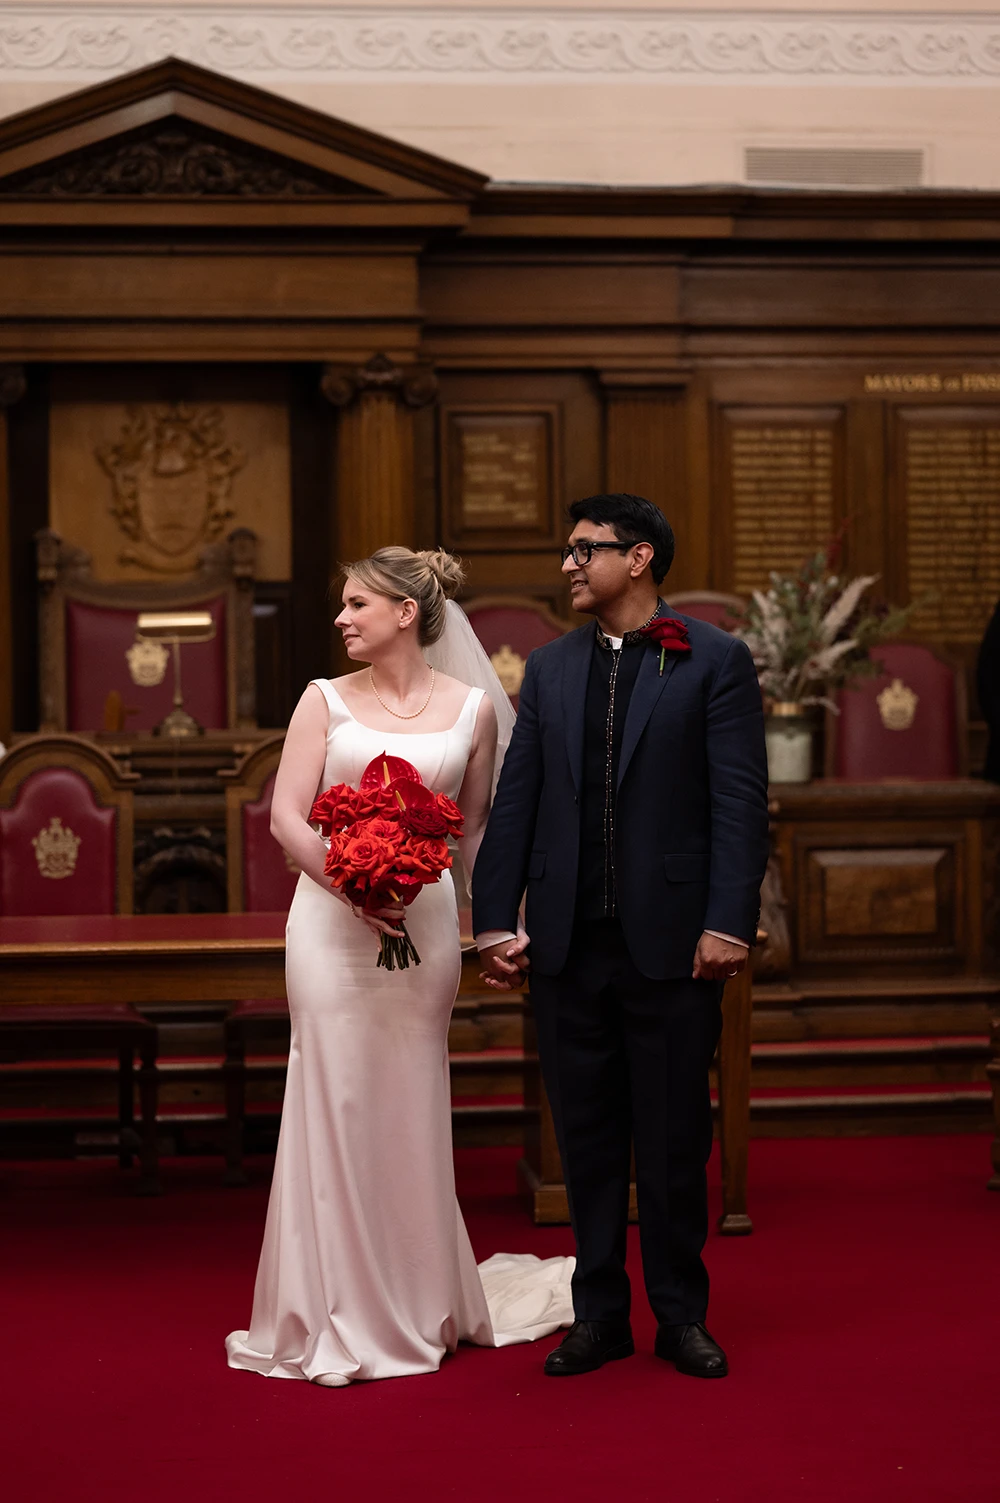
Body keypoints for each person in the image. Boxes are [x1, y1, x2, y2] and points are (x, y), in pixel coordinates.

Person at [226, 547, 572, 1388]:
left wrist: (497, 926)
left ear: (406, 612)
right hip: (329, 927)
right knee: (333, 1096)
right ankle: (331, 1302)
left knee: (411, 1102)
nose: (341, 618)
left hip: (425, 925)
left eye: (356, 604)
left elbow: (480, 831)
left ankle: (417, 1299)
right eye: (342, 604)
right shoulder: (323, 701)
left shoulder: (472, 713)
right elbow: (284, 816)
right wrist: (348, 883)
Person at [473, 493, 769, 1379]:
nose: (567, 564)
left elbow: (738, 802)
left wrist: (727, 919)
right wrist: (495, 917)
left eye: (584, 550)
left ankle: (681, 1314)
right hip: (568, 942)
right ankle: (598, 1313)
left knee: (676, 1138)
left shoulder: (714, 659)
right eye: (568, 551)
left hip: (677, 943)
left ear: (637, 559)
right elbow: (516, 798)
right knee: (588, 1138)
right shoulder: (553, 670)